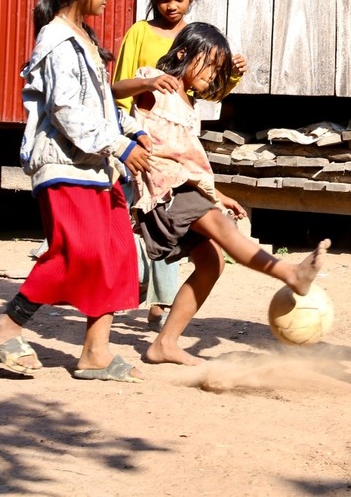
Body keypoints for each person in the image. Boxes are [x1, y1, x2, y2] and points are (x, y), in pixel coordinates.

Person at [0, 0, 152, 383]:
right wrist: (119, 146)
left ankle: (96, 352)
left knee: (115, 255)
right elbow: (67, 111)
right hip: (64, 163)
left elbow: (98, 105)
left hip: (95, 165)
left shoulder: (86, 40)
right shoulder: (55, 40)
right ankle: (7, 325)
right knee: (80, 253)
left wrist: (131, 131)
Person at [128, 22, 330, 366]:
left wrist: (217, 194)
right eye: (209, 64)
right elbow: (115, 87)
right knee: (224, 230)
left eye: (219, 69)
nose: (213, 74)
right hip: (163, 189)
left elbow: (188, 162)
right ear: (182, 55)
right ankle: (289, 273)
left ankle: (165, 343)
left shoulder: (189, 106)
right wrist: (146, 81)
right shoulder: (156, 86)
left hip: (185, 187)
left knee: (212, 262)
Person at [110, 0, 247, 331]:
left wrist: (231, 74)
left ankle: (160, 305)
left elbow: (208, 93)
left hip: (177, 146)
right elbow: (121, 84)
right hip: (138, 141)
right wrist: (122, 134)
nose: (172, 7)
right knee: (143, 221)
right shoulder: (140, 32)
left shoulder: (198, 37)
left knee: (174, 228)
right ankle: (136, 294)